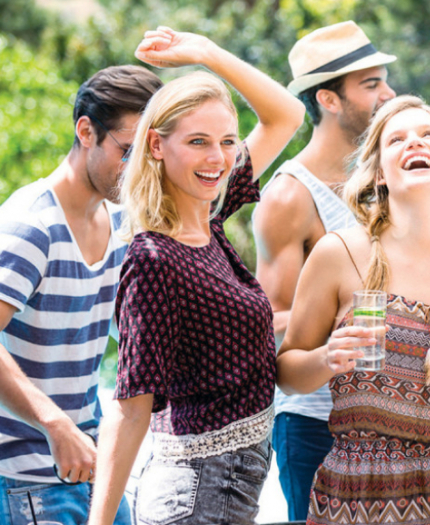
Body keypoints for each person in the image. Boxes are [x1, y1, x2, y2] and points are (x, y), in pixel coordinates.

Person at [86, 26, 303, 525]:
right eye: (198, 142)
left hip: (226, 490)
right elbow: (131, 406)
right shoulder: (153, 258)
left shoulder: (210, 218)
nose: (218, 158)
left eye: (227, 142)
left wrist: (207, 53)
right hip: (197, 494)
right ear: (156, 146)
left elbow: (287, 115)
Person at [276, 95, 430, 524]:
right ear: (380, 173)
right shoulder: (338, 253)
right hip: (362, 500)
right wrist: (327, 358)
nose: (414, 142)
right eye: (396, 139)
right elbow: (286, 373)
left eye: (428, 133)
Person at [0, 65, 161, 525]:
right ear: (86, 132)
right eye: (127, 151)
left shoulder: (119, 223)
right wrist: (54, 423)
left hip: (91, 467)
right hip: (25, 481)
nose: (138, 169)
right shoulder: (31, 227)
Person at [251, 21, 396, 520]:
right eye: (372, 85)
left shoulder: (385, 178)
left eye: (384, 81)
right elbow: (267, 321)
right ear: (329, 99)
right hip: (316, 425)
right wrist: (339, 312)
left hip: (390, 419)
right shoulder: (289, 197)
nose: (388, 94)